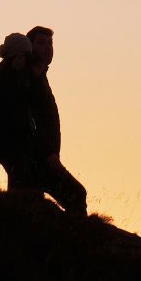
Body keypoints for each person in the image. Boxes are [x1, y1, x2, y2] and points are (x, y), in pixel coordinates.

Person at [24, 26, 89, 216]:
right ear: (30, 46)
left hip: (43, 156)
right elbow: (28, 120)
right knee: (77, 194)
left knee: (29, 205)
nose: (47, 48)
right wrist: (48, 153)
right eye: (41, 43)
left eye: (50, 43)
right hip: (36, 157)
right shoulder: (27, 79)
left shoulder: (39, 77)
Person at [0, 33, 41, 188]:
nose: (25, 62)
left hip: (21, 137)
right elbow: (1, 101)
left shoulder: (23, 77)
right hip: (4, 136)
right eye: (24, 57)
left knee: (25, 178)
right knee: (20, 177)